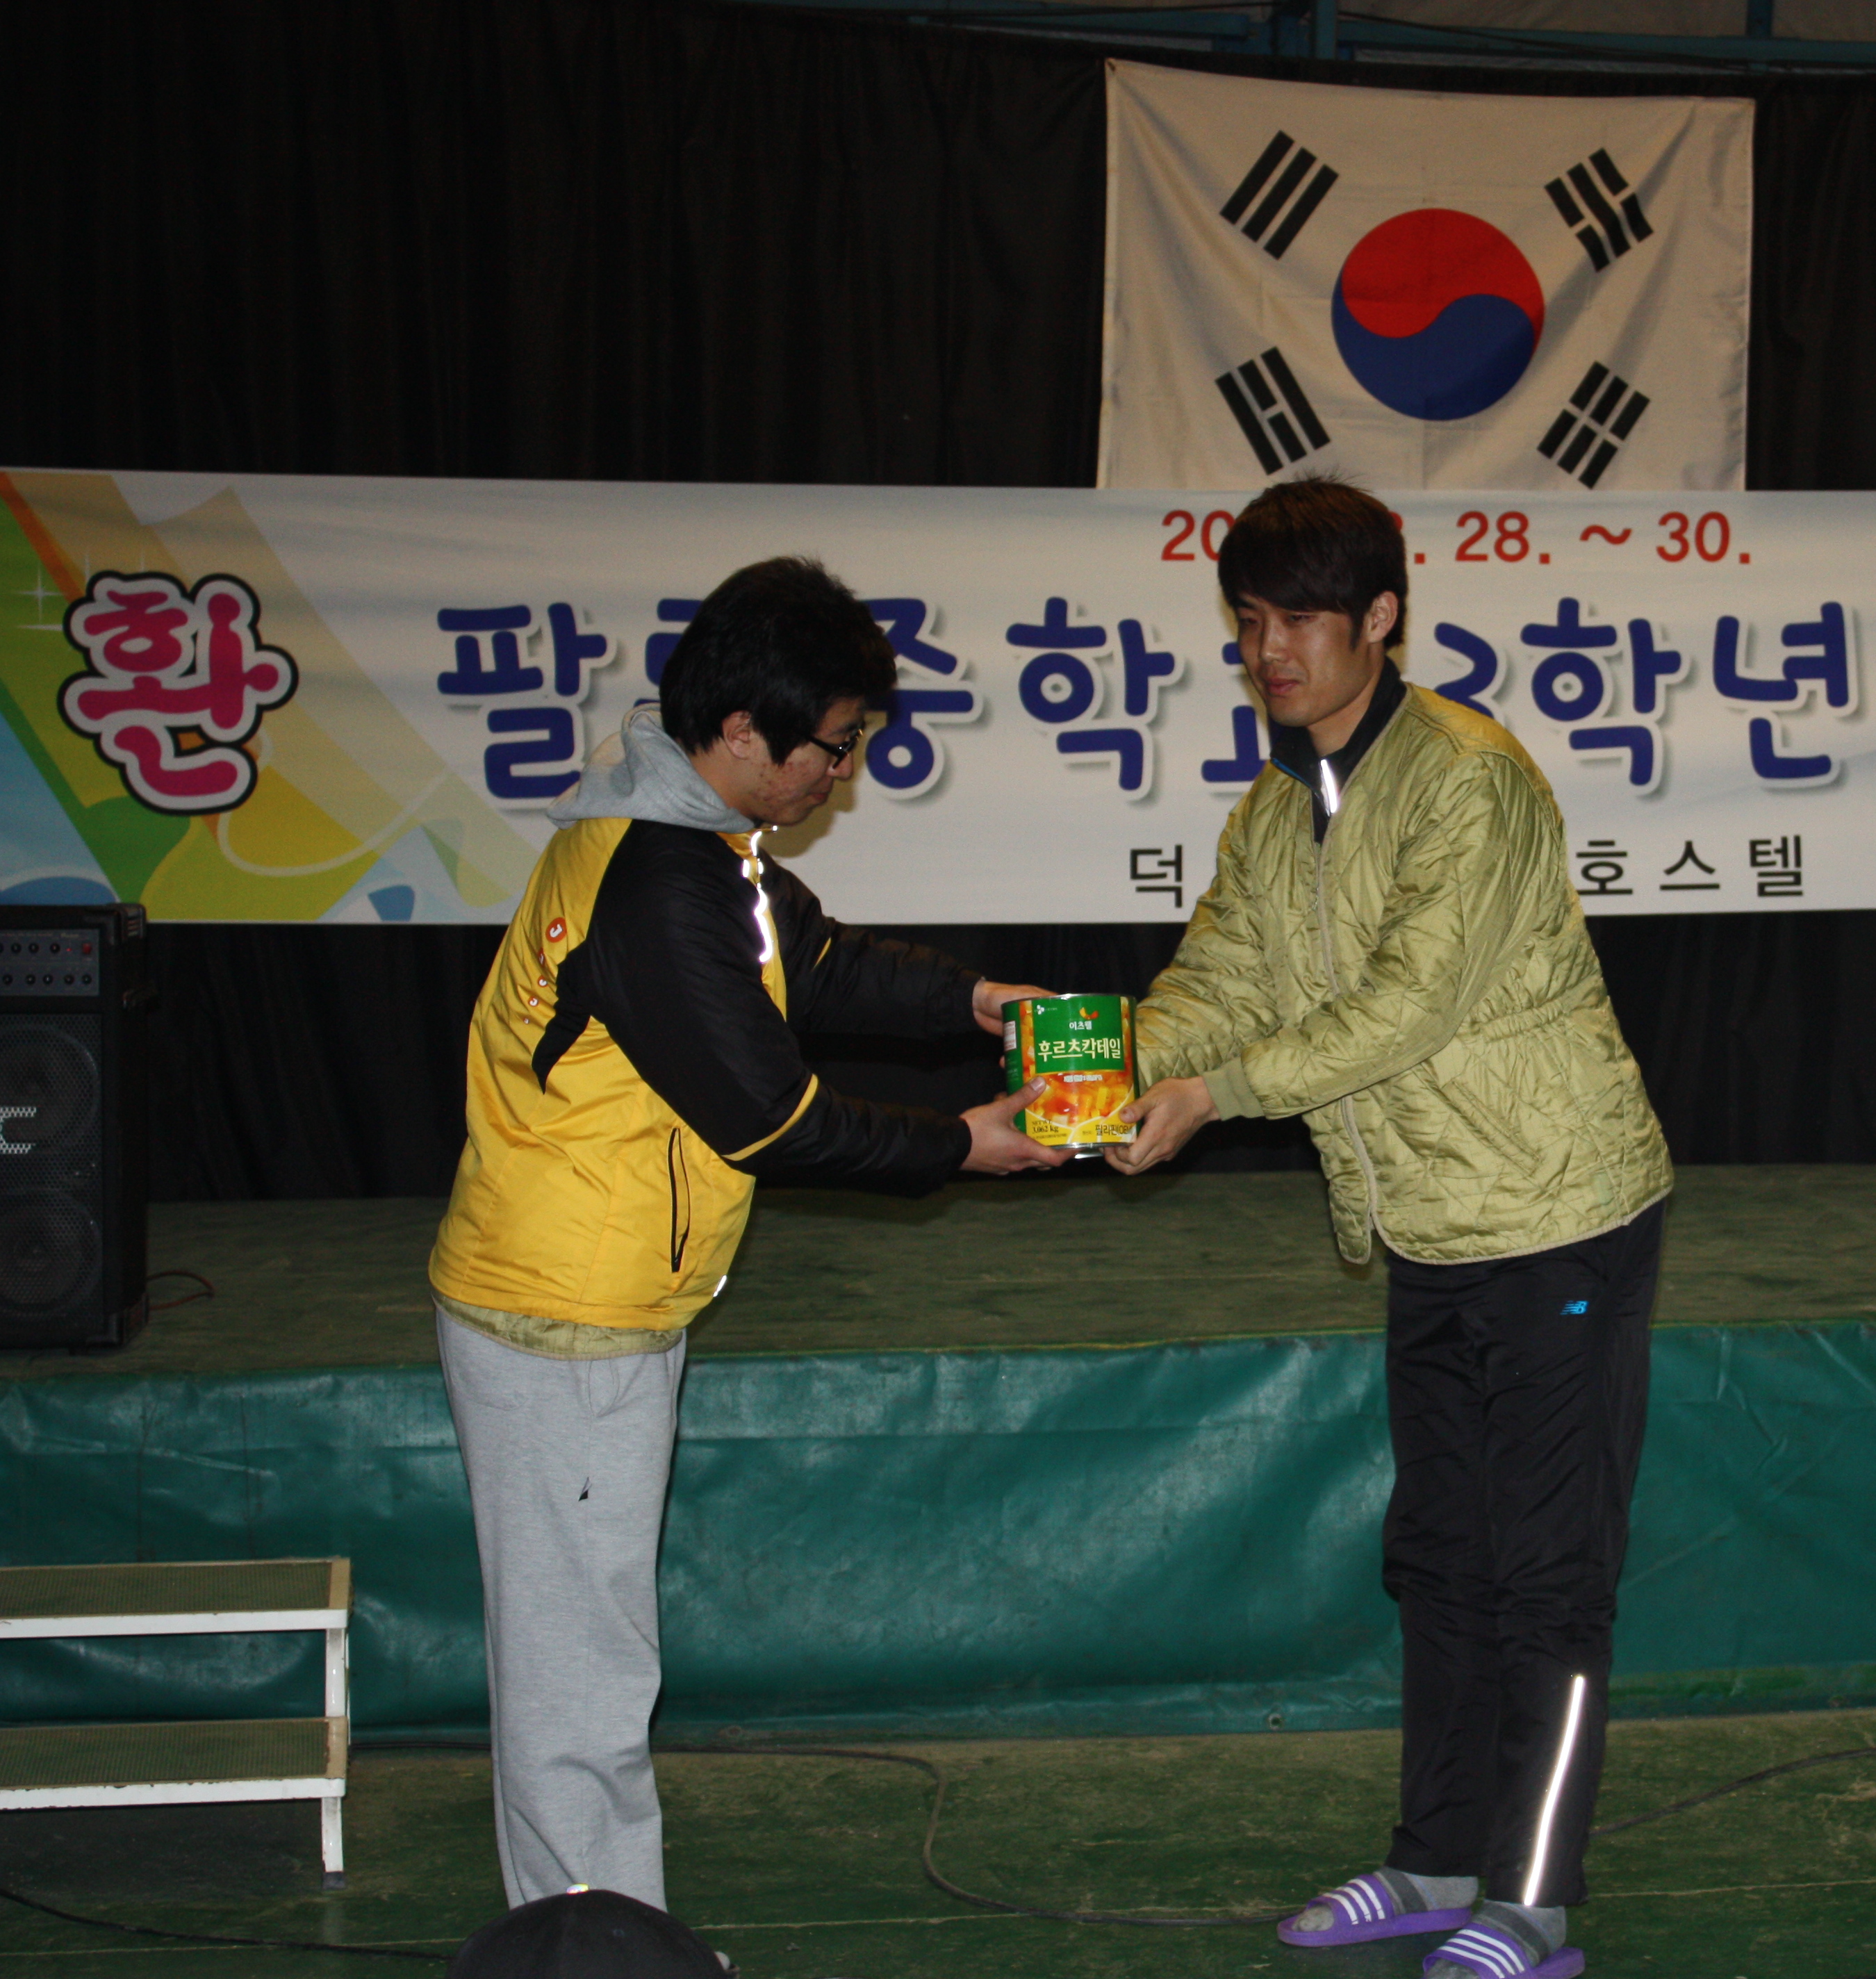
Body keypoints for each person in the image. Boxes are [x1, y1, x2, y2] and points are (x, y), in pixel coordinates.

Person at [426, 555, 1068, 1909]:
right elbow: (775, 1119)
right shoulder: (660, 883)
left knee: (587, 1659)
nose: (844, 770)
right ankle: (593, 1948)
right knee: (580, 1679)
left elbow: (816, 962)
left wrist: (976, 1003)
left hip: (593, 1297)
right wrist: (965, 1143)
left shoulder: (694, 836)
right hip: (565, 1319)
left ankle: (600, 1938)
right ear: (739, 731)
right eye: (833, 745)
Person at [1112, 476, 1672, 1979]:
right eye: (1249, 620)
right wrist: (1114, 1066)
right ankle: (1435, 1857)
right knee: (1439, 1555)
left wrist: (1215, 1093)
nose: (1271, 650)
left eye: (1301, 619)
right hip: (1429, 1223)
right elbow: (1223, 976)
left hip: (1558, 1213)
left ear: (1381, 619)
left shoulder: (1468, 779)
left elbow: (1402, 1007)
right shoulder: (1277, 807)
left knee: (1548, 1575)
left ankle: (1531, 1901)